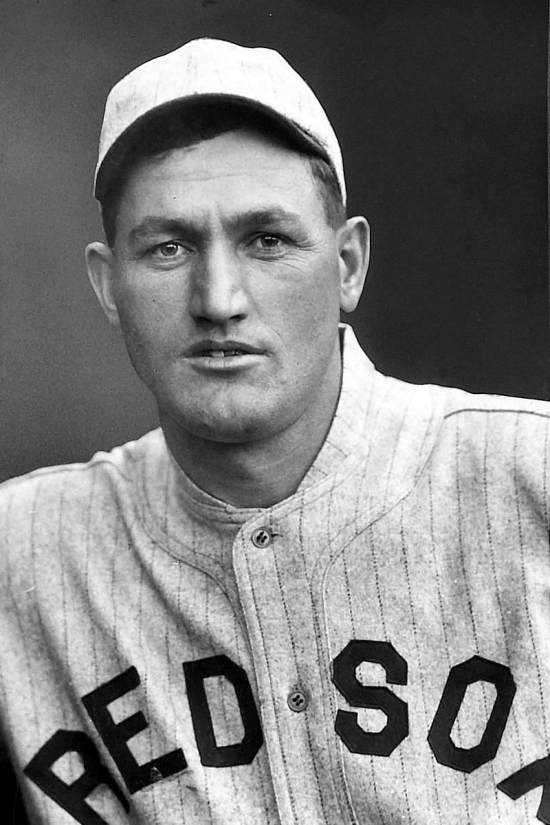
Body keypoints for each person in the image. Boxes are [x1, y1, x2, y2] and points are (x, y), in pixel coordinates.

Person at [1, 37, 549, 825]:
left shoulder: (530, 481)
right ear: (107, 283)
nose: (218, 298)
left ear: (348, 264)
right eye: (168, 247)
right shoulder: (22, 558)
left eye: (267, 240)